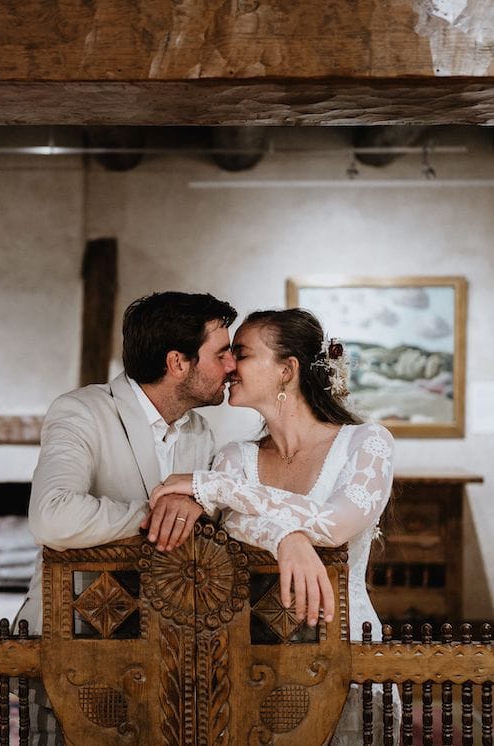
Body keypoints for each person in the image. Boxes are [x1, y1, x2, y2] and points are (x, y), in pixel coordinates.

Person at [150, 308, 395, 743]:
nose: (228, 367)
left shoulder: (367, 443)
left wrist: (211, 485)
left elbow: (335, 525)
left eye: (240, 354)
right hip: (253, 666)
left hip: (350, 659)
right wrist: (287, 537)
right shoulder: (234, 459)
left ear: (287, 369)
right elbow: (239, 527)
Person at [17, 290, 237, 744]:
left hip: (167, 650)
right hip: (75, 637)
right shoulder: (81, 411)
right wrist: (155, 515)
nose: (231, 365)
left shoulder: (200, 430)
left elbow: (215, 518)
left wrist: (197, 503)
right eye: (222, 353)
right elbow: (51, 516)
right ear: (178, 362)